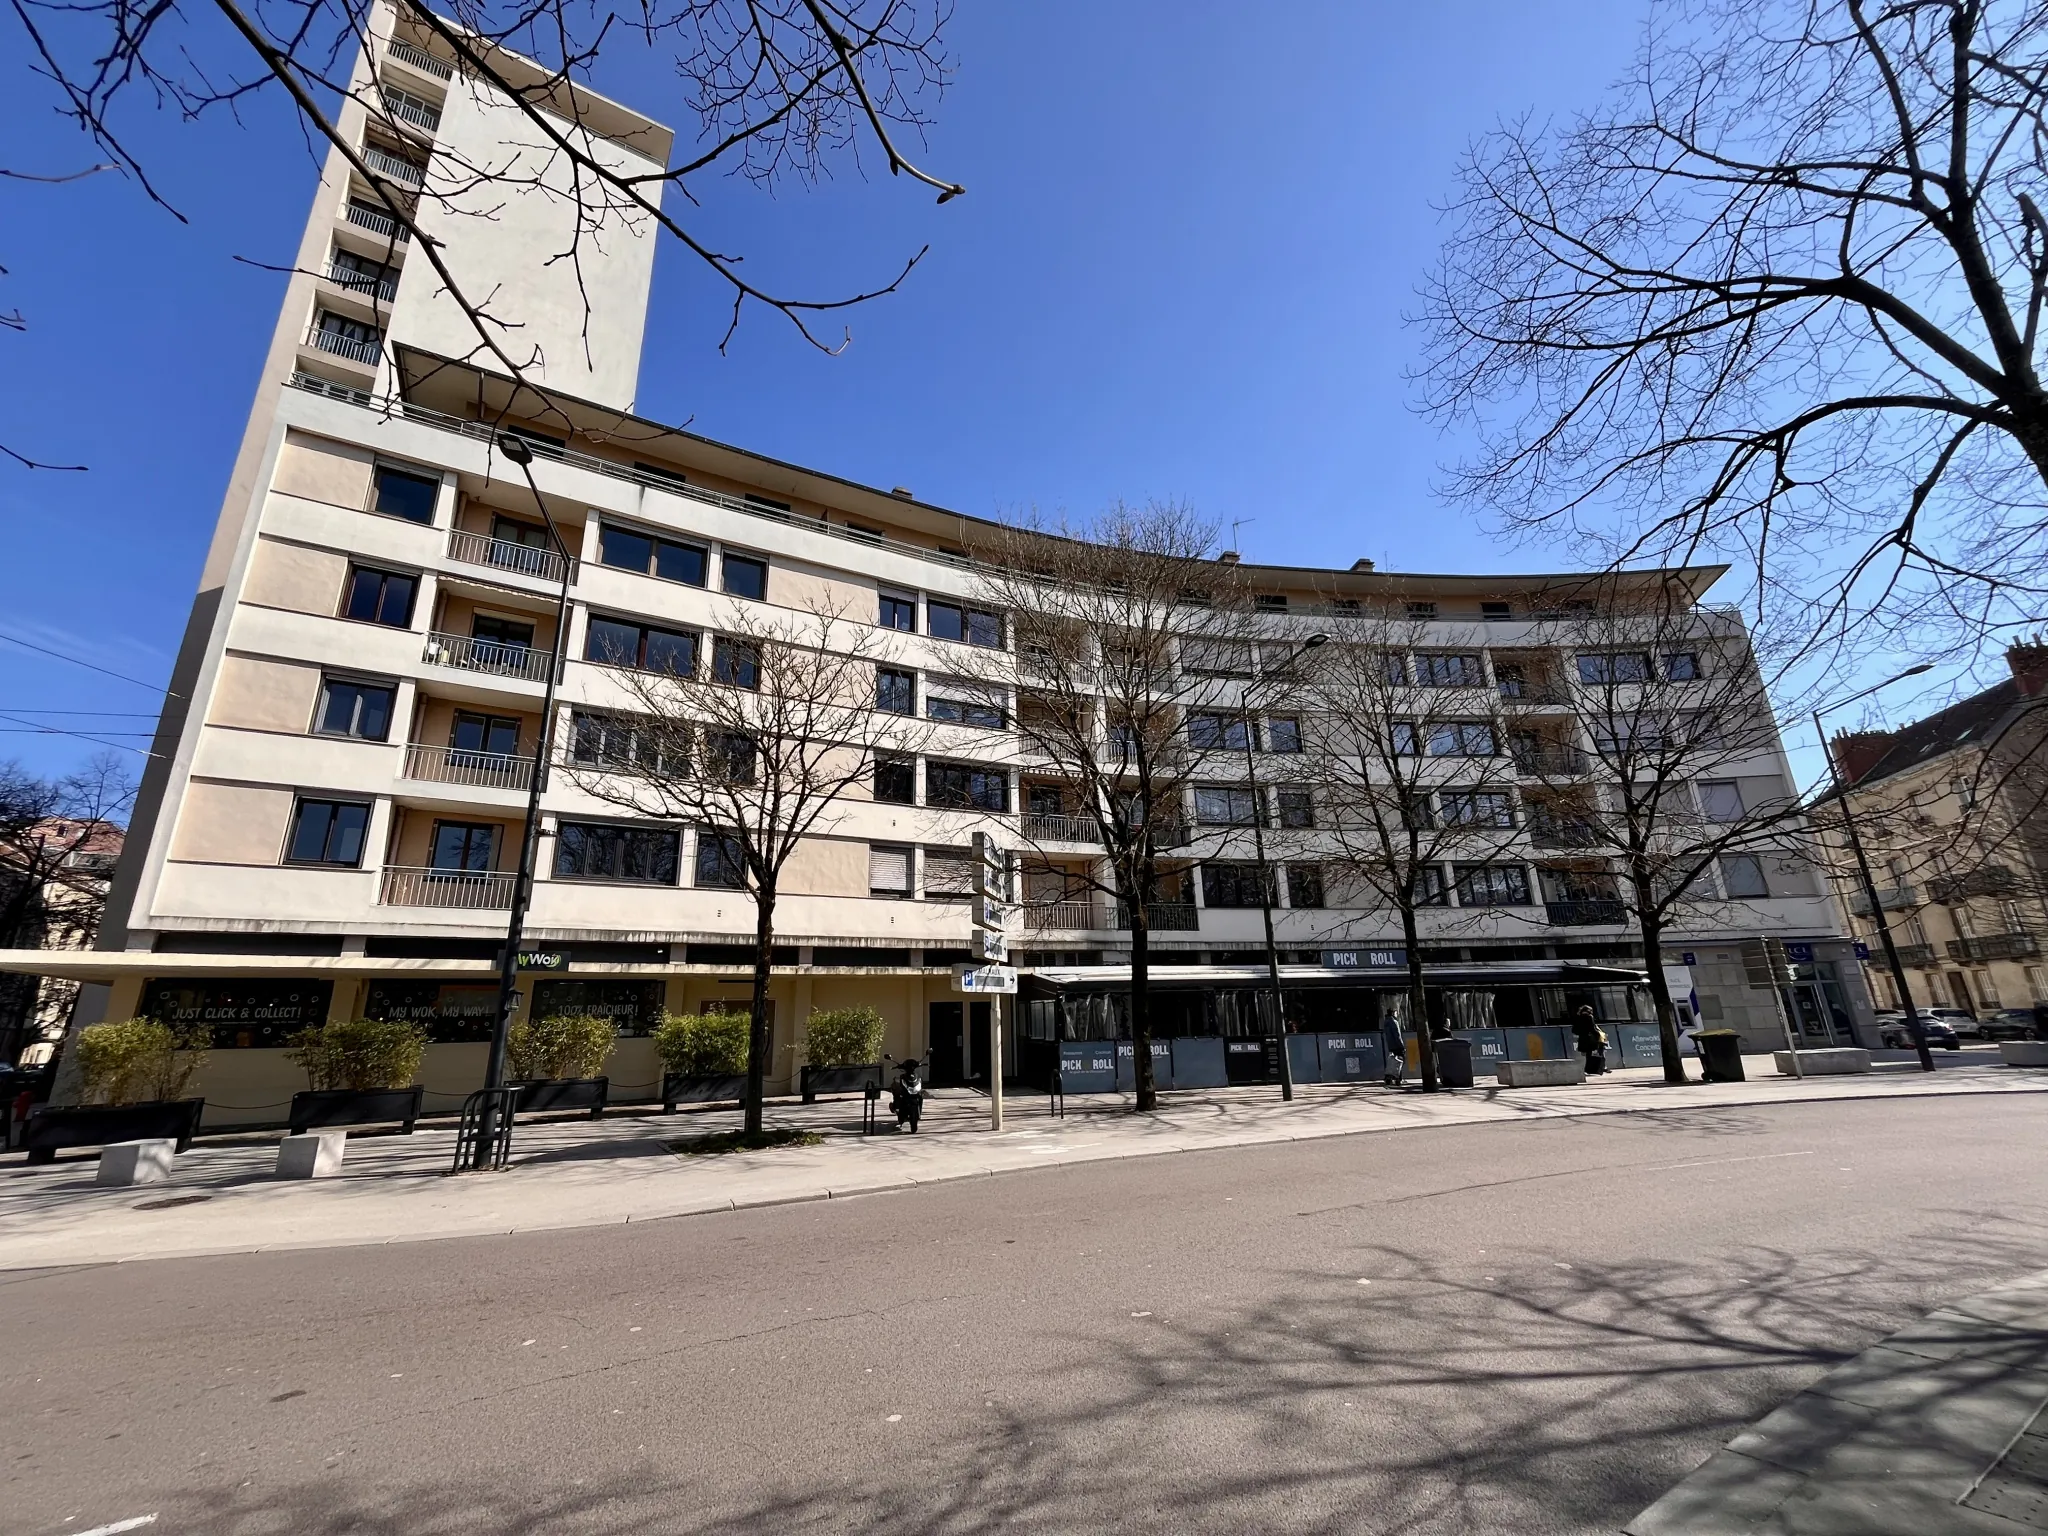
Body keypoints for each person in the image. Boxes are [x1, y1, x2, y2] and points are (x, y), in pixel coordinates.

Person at [1572, 1005, 1607, 1075]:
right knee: (1591, 1053)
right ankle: (1591, 1069)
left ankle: (1587, 1069)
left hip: (1582, 1038)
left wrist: (1581, 1033)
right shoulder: (1589, 1017)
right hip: (1590, 1038)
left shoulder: (1578, 1018)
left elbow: (1574, 1030)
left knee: (1587, 1054)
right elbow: (1592, 1028)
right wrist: (1598, 1035)